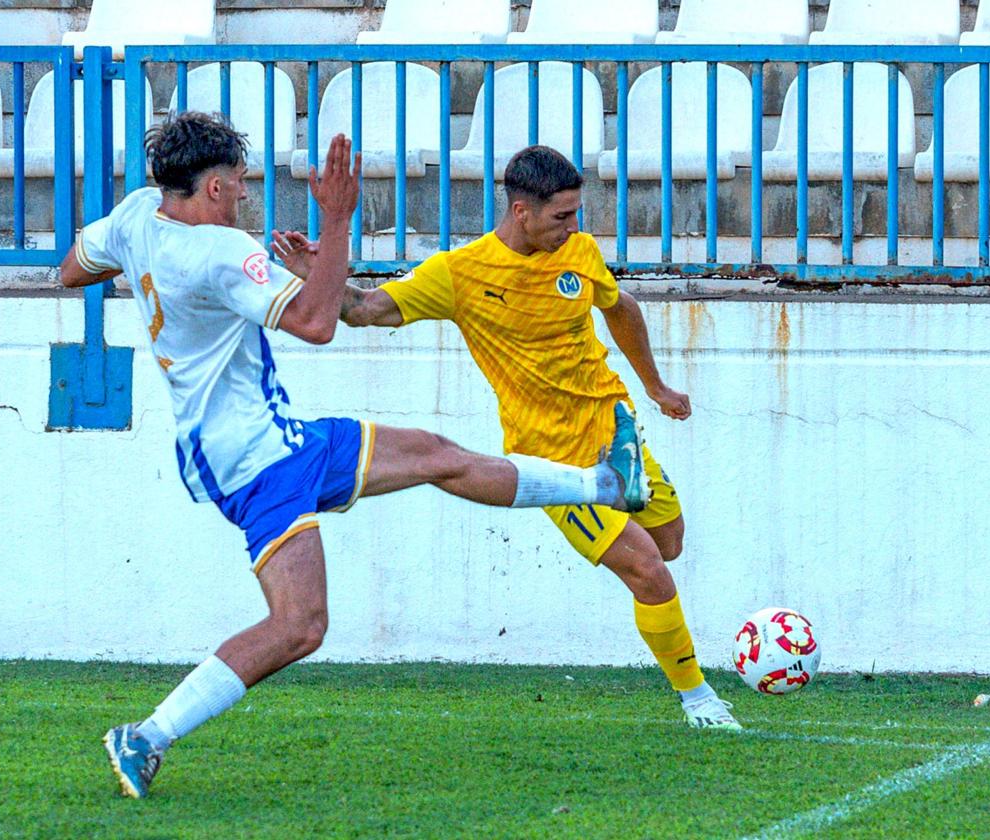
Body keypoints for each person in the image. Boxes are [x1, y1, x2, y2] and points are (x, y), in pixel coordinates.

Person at [59, 114, 651, 799]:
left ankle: (604, 483)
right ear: (215, 186)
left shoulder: (137, 214)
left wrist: (149, 281)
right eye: (241, 185)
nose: (247, 197)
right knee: (300, 625)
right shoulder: (221, 253)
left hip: (277, 439)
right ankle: (146, 736)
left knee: (435, 455)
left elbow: (74, 269)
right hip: (255, 460)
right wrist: (336, 219)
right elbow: (315, 324)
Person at [311, 145, 741, 731]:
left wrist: (657, 386)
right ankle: (698, 698)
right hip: (551, 459)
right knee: (648, 569)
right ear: (521, 211)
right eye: (562, 217)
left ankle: (625, 489)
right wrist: (315, 272)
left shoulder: (580, 253)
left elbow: (620, 307)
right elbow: (362, 311)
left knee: (669, 544)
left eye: (577, 214)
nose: (575, 227)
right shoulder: (459, 273)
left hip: (615, 430)